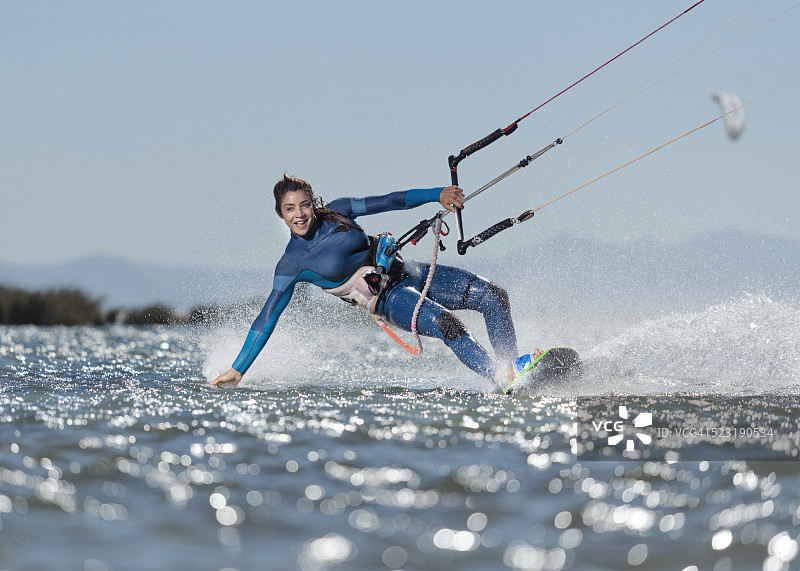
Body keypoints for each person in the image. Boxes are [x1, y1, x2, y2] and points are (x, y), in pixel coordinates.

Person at [211, 174, 538, 391]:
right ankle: (500, 375)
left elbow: (390, 200)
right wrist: (238, 369)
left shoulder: (338, 212)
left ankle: (512, 368)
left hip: (411, 271)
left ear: (314, 202)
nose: (299, 214)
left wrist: (435, 194)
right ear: (280, 214)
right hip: (389, 300)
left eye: (304, 204)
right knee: (448, 324)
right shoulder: (292, 264)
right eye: (289, 209)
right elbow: (266, 318)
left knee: (494, 296)